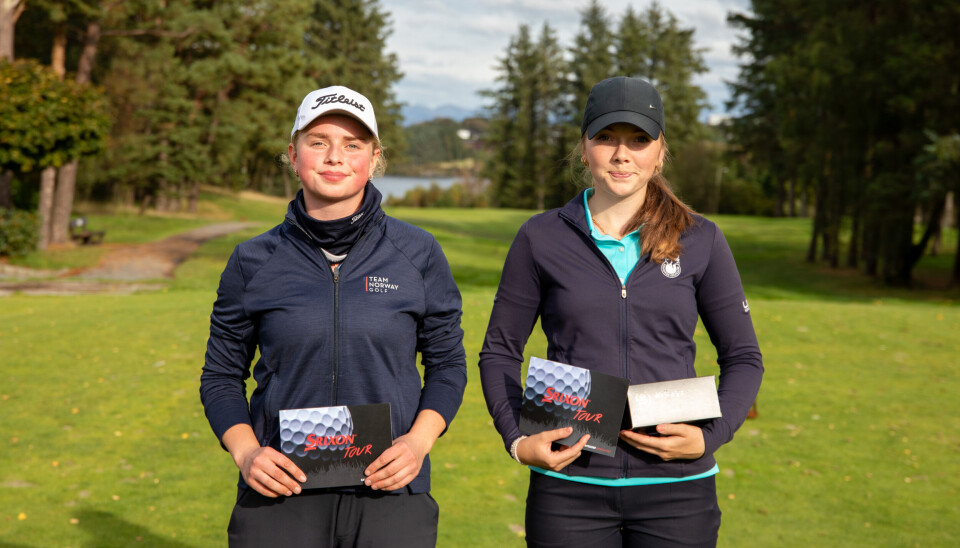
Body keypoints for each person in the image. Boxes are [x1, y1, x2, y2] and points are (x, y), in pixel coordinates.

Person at [478, 76, 763, 547]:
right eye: (606, 137)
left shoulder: (702, 239)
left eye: (638, 140)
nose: (621, 154)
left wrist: (710, 437)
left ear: (660, 151)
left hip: (679, 491)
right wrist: (516, 438)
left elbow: (744, 357)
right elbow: (499, 352)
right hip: (570, 489)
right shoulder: (540, 238)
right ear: (584, 147)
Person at [200, 85, 467, 547]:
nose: (334, 157)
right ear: (293, 153)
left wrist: (418, 443)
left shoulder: (418, 253)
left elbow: (447, 366)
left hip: (391, 489)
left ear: (374, 157)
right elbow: (221, 375)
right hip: (281, 491)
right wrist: (246, 454)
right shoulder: (252, 260)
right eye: (318, 141)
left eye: (352, 144)